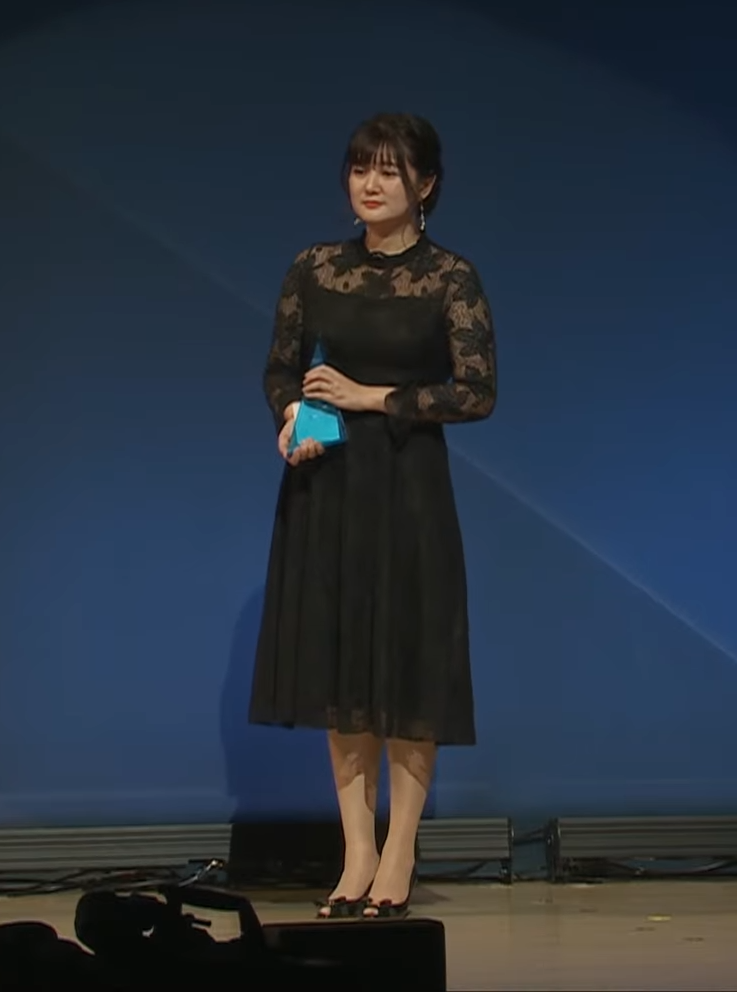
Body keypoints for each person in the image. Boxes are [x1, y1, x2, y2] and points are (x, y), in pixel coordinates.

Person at [248, 112, 498, 921]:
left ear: (425, 184)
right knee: (343, 670)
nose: (370, 183)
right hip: (328, 486)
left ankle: (401, 849)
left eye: (389, 170)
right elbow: (280, 368)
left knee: (406, 666)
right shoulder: (315, 267)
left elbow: (476, 392)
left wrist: (372, 397)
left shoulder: (450, 277)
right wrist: (292, 415)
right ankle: (356, 849)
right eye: (360, 168)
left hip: (409, 487)